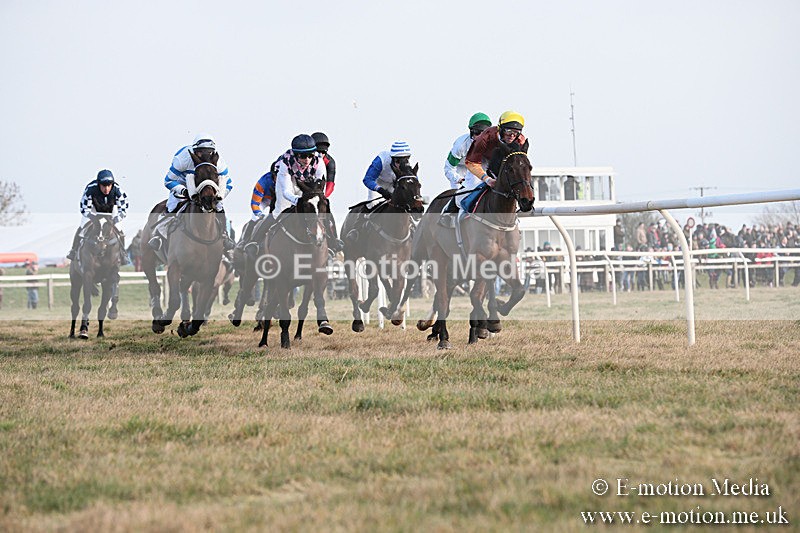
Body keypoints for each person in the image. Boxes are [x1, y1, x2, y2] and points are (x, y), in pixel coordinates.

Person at [148, 133, 234, 252]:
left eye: (208, 152)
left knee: (219, 206)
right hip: (183, 181)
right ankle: (159, 235)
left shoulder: (220, 165)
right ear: (194, 151)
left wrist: (219, 196)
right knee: (173, 204)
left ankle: (225, 235)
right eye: (200, 152)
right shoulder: (182, 159)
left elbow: (229, 184)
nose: (204, 155)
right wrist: (183, 191)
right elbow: (168, 181)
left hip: (207, 185)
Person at [272, 134, 343, 251]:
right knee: (279, 211)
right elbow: (286, 191)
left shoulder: (318, 161)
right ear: (295, 155)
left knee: (322, 206)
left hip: (307, 185)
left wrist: (317, 198)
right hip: (289, 182)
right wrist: (297, 200)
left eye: (310, 155)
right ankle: (258, 241)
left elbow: (321, 186)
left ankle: (333, 241)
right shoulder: (285, 162)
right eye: (303, 156)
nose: (307, 160)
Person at [461, 111, 528, 214]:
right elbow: (471, 162)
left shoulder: (520, 140)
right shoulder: (485, 136)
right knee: (473, 185)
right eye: (509, 131)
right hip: (481, 161)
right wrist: (487, 179)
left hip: (503, 162)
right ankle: (458, 212)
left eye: (516, 132)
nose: (512, 135)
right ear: (500, 129)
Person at [66, 169, 129, 262]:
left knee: (120, 231)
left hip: (111, 211)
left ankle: (123, 254)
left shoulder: (118, 190)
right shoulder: (91, 189)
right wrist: (92, 218)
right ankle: (74, 250)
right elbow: (84, 208)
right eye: (104, 186)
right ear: (99, 184)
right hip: (93, 210)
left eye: (109, 186)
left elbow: (123, 209)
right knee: (82, 227)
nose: (106, 189)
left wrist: (116, 219)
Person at [442, 113, 492, 214]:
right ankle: (448, 213)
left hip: (478, 167)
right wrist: (458, 179)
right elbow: (448, 169)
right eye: (478, 133)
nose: (480, 138)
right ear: (471, 132)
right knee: (459, 197)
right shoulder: (461, 145)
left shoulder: (492, 144)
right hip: (460, 170)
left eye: (484, 133)